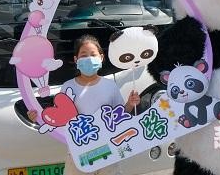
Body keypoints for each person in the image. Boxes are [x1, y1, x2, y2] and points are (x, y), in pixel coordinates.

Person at [28, 34, 140, 175]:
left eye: (93, 54)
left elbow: (120, 115)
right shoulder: (68, 87)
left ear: (101, 57)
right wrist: (37, 117)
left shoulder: (110, 85)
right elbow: (58, 119)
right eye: (83, 55)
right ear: (76, 60)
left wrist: (130, 104)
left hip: (108, 151)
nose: (89, 58)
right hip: (79, 154)